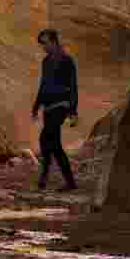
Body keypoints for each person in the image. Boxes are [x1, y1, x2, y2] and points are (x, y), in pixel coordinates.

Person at [32, 29, 78, 191]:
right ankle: (70, 182)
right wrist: (36, 106)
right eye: (41, 44)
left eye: (45, 43)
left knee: (46, 138)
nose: (43, 47)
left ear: (54, 41)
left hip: (61, 106)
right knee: (54, 144)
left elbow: (73, 87)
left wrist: (73, 112)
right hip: (48, 108)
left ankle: (44, 176)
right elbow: (43, 85)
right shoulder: (45, 62)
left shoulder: (67, 60)